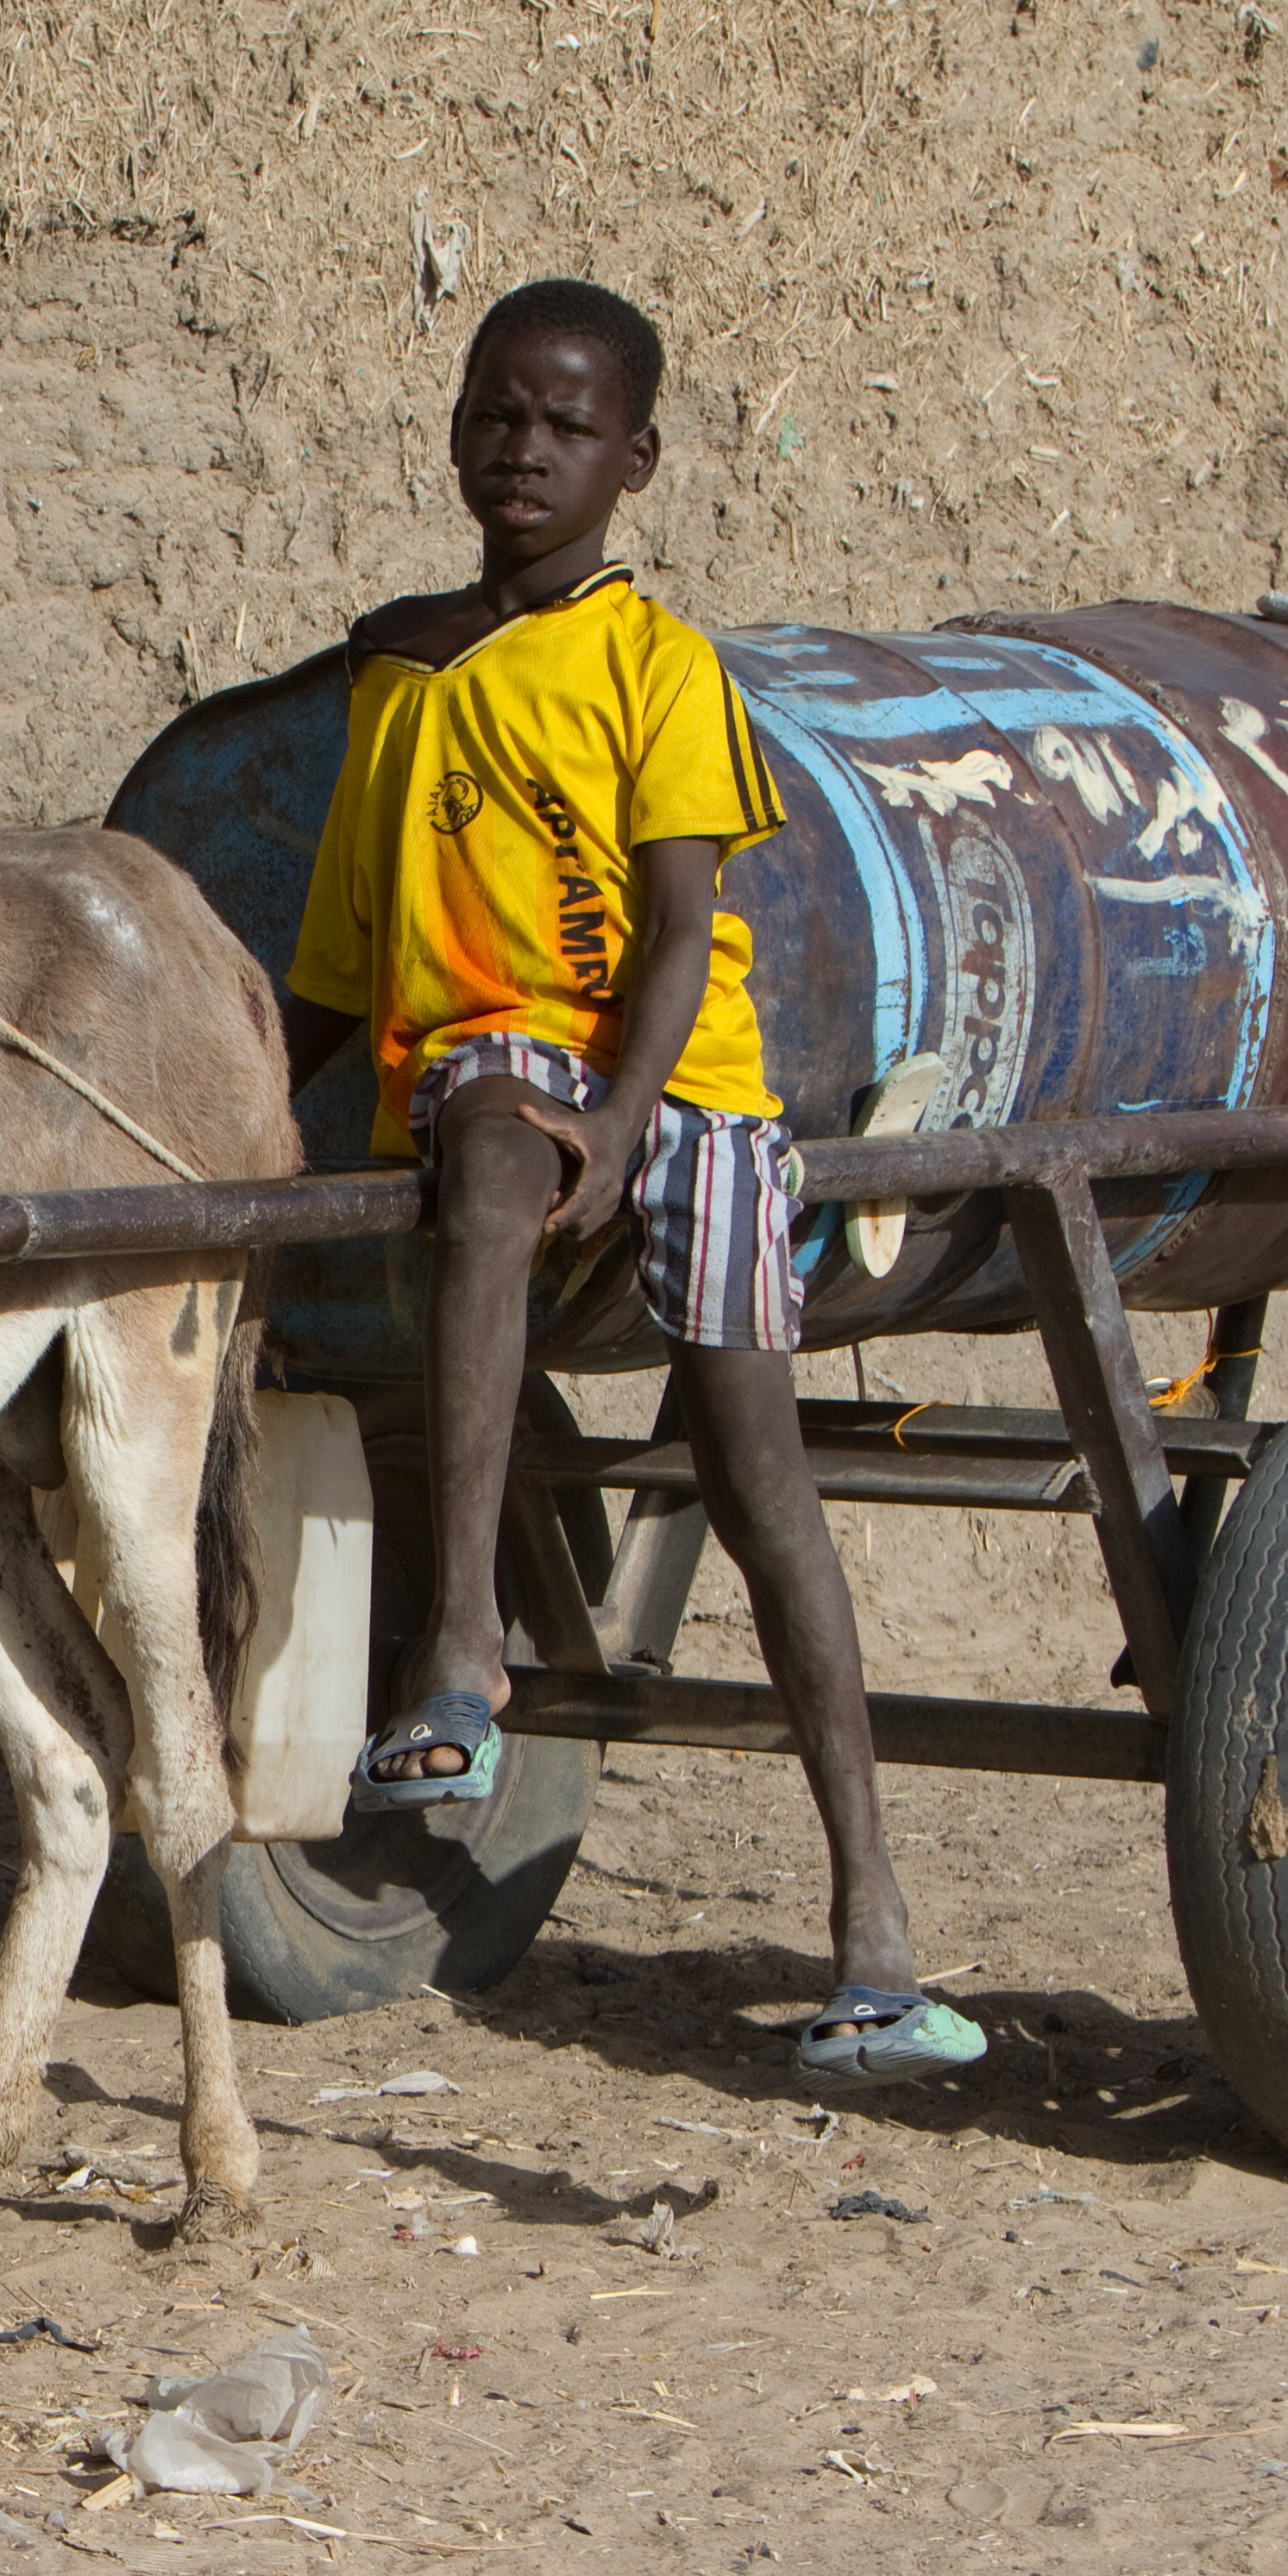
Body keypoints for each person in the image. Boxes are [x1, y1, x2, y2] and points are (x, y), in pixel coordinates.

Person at [275, 277, 982, 2086]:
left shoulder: (661, 667)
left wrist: (629, 1112)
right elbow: (347, 952)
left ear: (635, 461)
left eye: (566, 425)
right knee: (490, 1145)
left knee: (756, 1468)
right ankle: (461, 1647)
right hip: (488, 1052)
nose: (523, 450)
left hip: (681, 1080)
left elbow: (679, 931)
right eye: (496, 414)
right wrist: (241, 1113)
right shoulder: (396, 670)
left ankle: (874, 1925)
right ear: (455, 430)